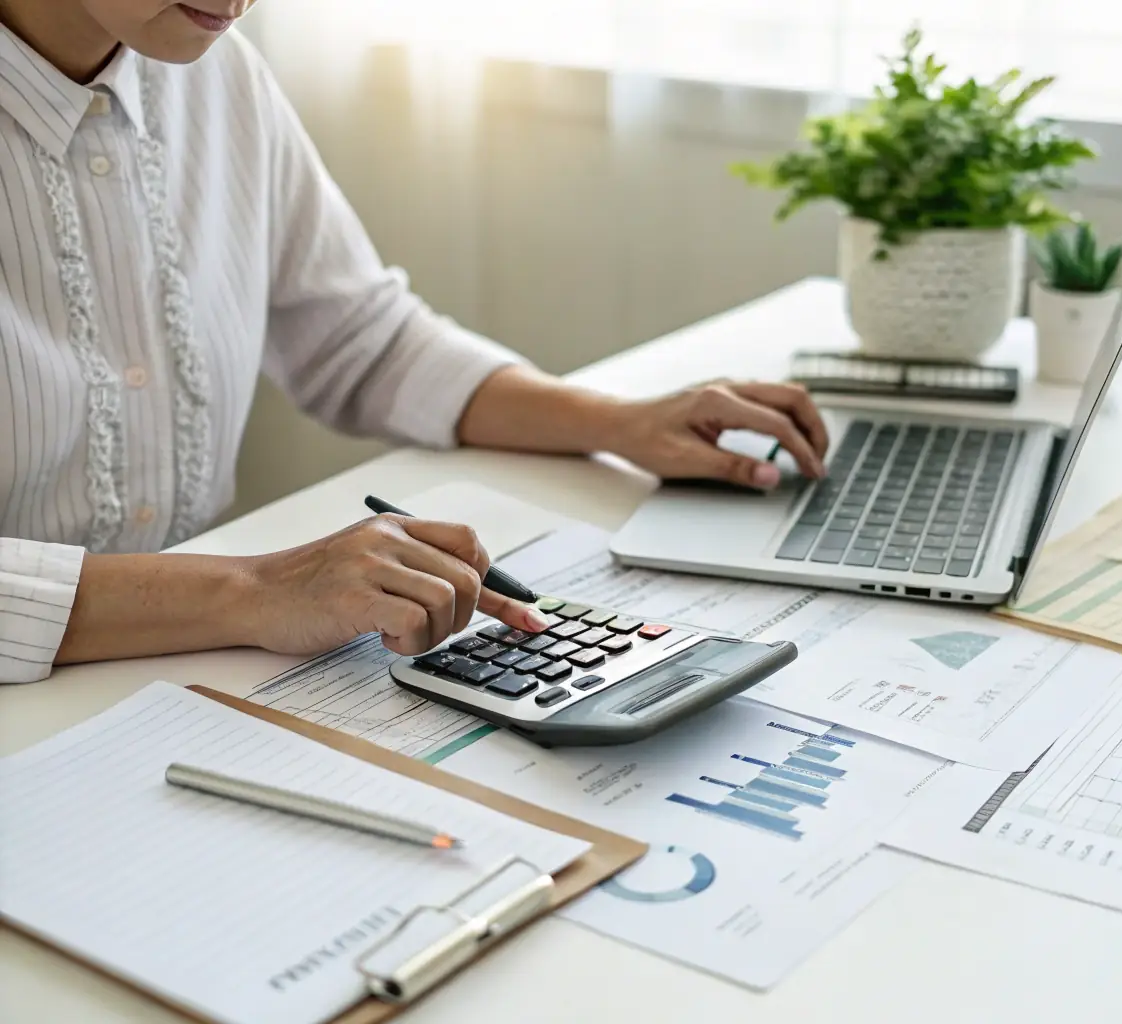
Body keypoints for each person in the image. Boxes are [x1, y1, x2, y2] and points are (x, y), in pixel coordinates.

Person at [0, 0, 830, 684]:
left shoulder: (212, 72)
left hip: (172, 681)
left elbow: (361, 338)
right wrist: (251, 589)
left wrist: (616, 423)